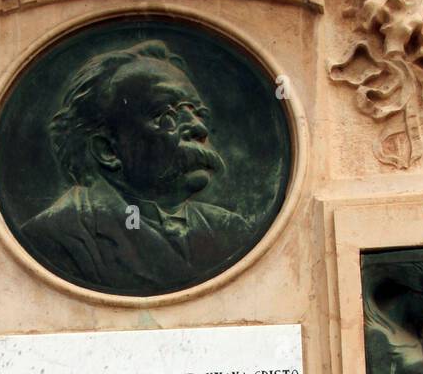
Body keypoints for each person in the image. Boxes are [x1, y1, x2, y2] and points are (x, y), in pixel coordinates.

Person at [22, 40, 252, 294]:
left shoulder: (230, 230)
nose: (199, 128)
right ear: (107, 151)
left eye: (198, 112)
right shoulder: (54, 237)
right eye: (167, 114)